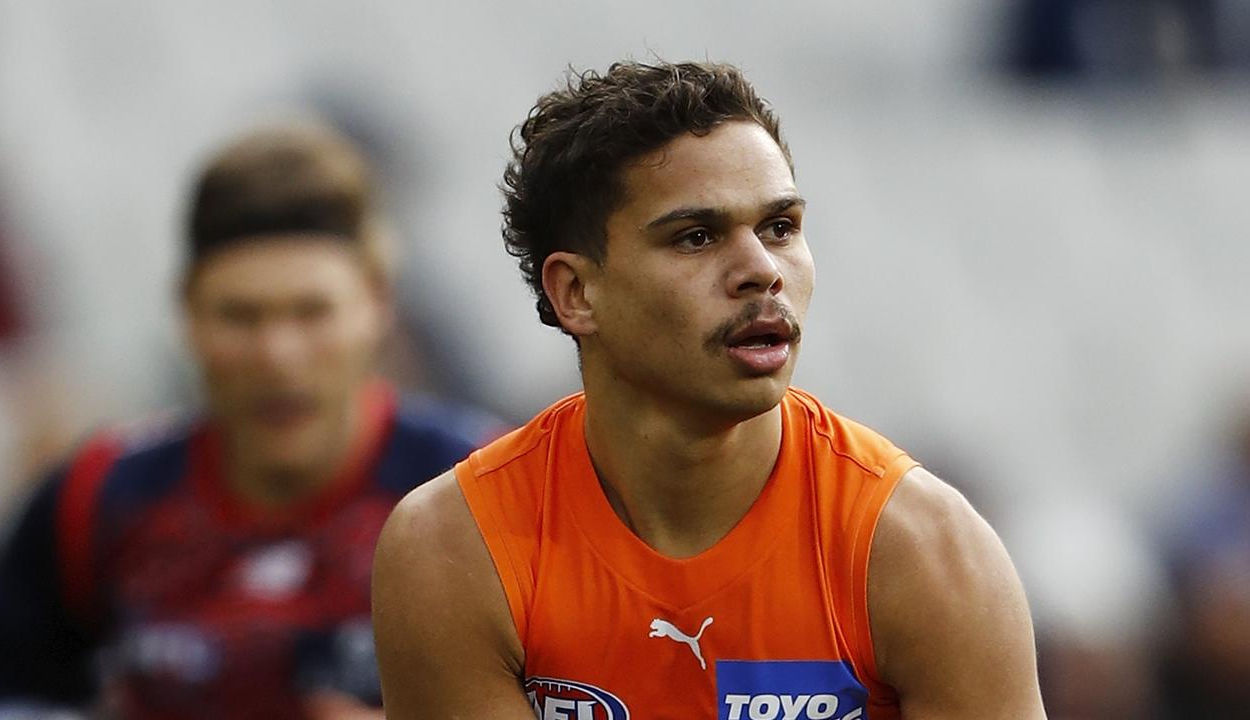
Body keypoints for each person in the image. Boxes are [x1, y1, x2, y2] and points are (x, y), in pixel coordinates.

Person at [372, 61, 1047, 719]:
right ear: (577, 293)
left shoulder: (922, 548)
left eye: (780, 228)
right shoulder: (457, 550)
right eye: (696, 237)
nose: (762, 270)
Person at [0, 121, 497, 719]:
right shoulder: (94, 501)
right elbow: (4, 693)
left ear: (378, 306)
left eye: (311, 312)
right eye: (241, 316)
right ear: (187, 313)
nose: (277, 354)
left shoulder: (492, 495)